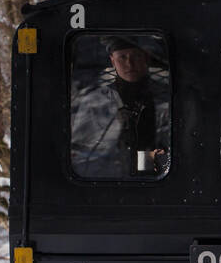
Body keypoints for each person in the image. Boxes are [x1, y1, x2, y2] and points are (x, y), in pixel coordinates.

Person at [70, 35, 170, 179]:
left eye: (136, 56)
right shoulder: (95, 101)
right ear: (112, 60)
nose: (130, 64)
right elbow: (80, 149)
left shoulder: (165, 99)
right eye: (122, 57)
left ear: (146, 58)